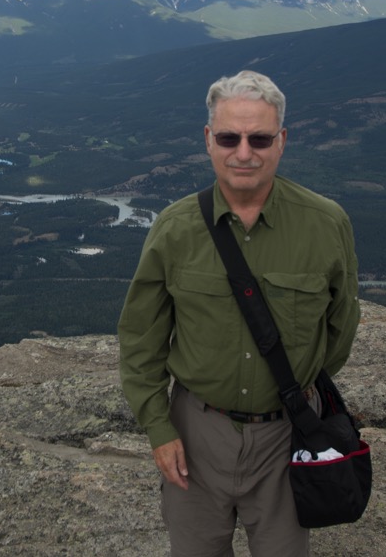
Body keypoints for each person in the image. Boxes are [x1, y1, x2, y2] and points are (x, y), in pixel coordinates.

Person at [117, 70, 360, 556]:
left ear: (282, 141)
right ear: (209, 140)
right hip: (195, 435)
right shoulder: (175, 228)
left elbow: (340, 327)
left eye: (260, 138)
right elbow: (141, 339)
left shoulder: (325, 224)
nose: (244, 152)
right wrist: (160, 430)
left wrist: (299, 389)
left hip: (287, 434)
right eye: (229, 137)